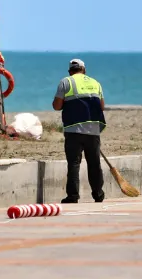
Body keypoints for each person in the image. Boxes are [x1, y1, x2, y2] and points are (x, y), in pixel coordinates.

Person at [52, 58, 106, 203]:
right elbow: (101, 106)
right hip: (93, 129)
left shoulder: (66, 82)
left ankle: (73, 196)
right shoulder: (96, 83)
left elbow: (57, 106)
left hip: (74, 129)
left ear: (70, 71)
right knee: (94, 163)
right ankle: (98, 194)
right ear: (84, 69)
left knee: (74, 163)